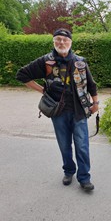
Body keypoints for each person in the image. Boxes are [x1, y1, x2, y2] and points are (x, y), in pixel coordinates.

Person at [16, 28, 99, 191]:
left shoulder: (80, 61)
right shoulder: (46, 61)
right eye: (58, 39)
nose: (62, 42)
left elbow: (91, 84)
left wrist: (96, 103)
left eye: (65, 40)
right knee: (64, 145)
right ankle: (69, 171)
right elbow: (22, 75)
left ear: (71, 42)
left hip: (79, 110)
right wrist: (42, 90)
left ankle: (84, 178)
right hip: (58, 112)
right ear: (54, 41)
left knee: (82, 145)